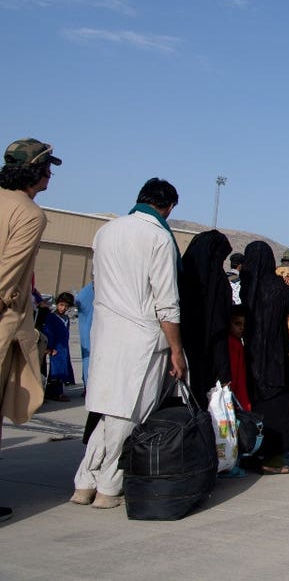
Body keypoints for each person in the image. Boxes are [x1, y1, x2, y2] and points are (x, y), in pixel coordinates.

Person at [72, 178, 185, 509]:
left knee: (107, 414)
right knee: (130, 416)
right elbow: (167, 302)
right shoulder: (159, 238)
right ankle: (108, 486)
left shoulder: (106, 231)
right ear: (168, 207)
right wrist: (176, 349)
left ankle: (84, 481)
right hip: (144, 339)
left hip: (107, 334)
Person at [0, 138, 56, 521]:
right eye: (48, 167)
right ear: (35, 171)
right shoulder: (29, 214)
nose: (51, 174)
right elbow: (6, 278)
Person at [241, 241, 289, 474]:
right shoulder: (277, 286)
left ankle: (250, 455)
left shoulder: (245, 287)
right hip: (277, 361)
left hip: (250, 359)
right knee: (279, 409)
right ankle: (272, 460)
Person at [179, 230, 233, 404]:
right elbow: (218, 330)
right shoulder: (217, 284)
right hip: (204, 360)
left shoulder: (179, 275)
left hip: (174, 355)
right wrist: (225, 374)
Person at [41, 291, 76, 402]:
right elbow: (48, 333)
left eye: (66, 306)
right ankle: (56, 393)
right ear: (57, 304)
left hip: (64, 349)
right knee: (56, 370)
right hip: (55, 348)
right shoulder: (52, 317)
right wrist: (49, 349)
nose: (63, 308)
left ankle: (55, 392)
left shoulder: (66, 318)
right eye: (61, 305)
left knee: (63, 368)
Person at [226, 305, 250, 409]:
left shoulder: (236, 343)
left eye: (243, 324)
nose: (241, 328)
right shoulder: (233, 343)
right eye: (237, 324)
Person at [74, 281, 94, 394]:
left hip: (87, 327)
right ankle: (89, 386)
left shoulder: (88, 289)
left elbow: (78, 300)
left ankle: (88, 385)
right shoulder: (93, 288)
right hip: (92, 327)